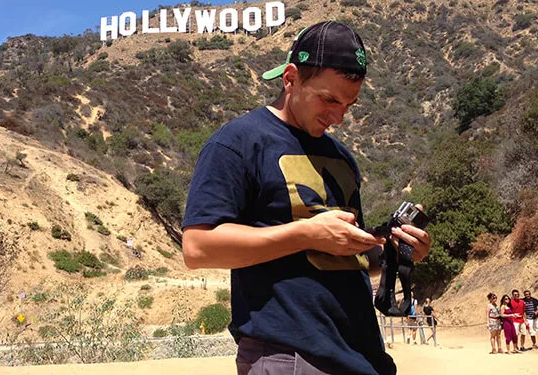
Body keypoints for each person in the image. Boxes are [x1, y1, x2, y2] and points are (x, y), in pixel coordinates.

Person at [181, 20, 432, 375]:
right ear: (290, 78)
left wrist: (394, 252)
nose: (339, 116)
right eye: (329, 99)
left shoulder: (343, 157)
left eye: (349, 104)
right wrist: (306, 234)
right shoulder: (237, 143)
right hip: (291, 357)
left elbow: (350, 258)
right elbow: (198, 248)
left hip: (364, 358)